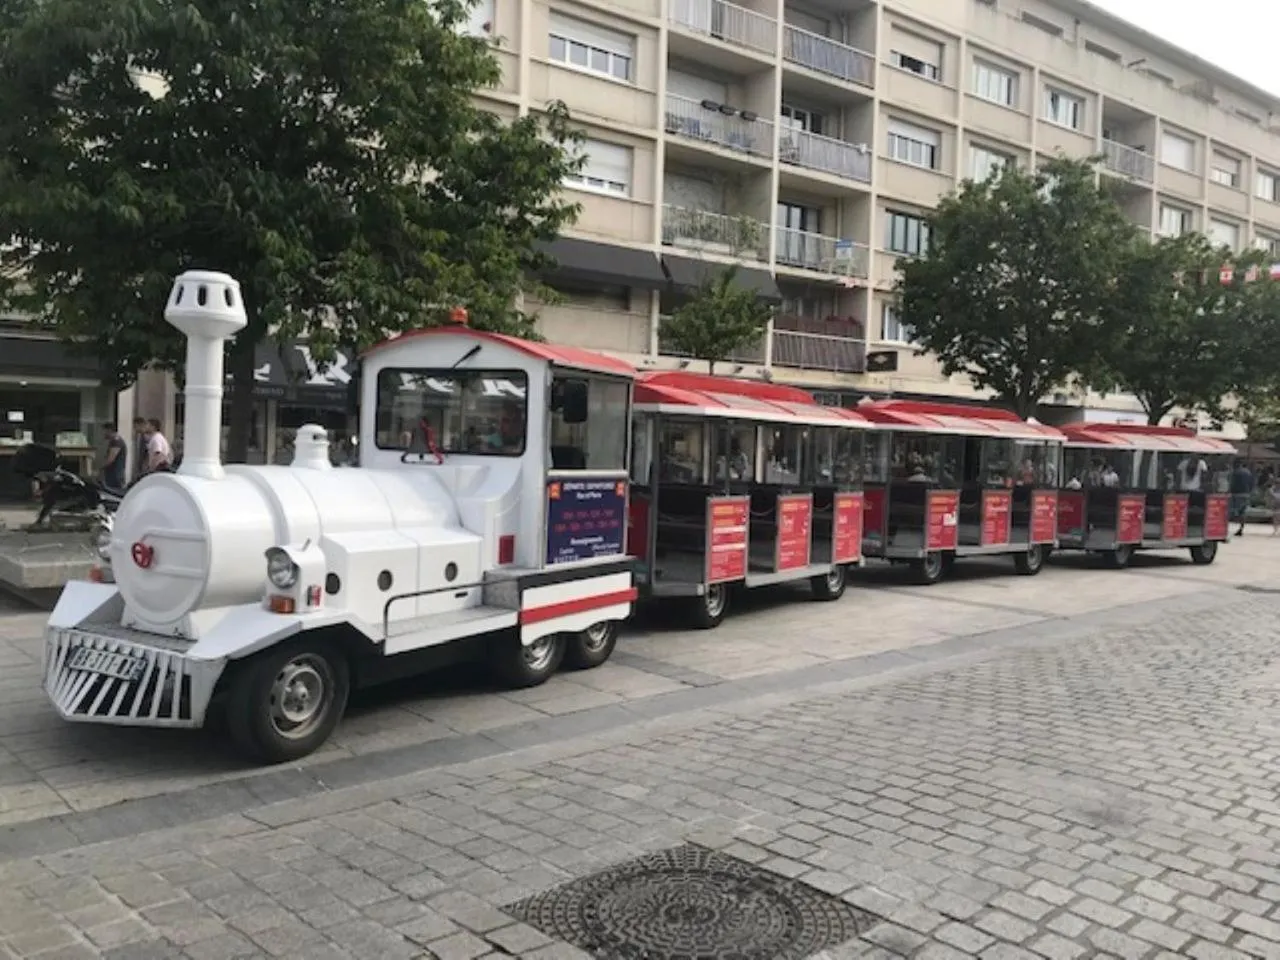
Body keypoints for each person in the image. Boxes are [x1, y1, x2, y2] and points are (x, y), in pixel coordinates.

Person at [1229, 459, 1254, 538]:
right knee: (1243, 512)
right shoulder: (1248, 472)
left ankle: (1227, 527)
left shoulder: (1235, 472)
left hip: (1236, 494)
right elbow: (1252, 483)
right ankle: (1241, 528)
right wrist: (1249, 491)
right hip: (1246, 494)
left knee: (1233, 511)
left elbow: (1231, 483)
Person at [100, 423, 128, 492]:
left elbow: (111, 459)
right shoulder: (114, 441)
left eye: (104, 431)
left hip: (115, 475)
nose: (103, 433)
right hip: (113, 474)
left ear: (109, 430)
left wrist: (100, 468)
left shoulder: (116, 441)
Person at [132, 417, 149, 481]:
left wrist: (145, 465)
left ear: (140, 425)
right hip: (141, 465)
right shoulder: (140, 436)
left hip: (145, 466)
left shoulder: (146, 437)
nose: (135, 429)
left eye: (135, 426)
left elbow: (148, 452)